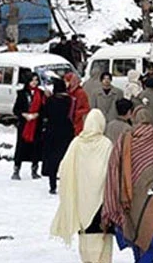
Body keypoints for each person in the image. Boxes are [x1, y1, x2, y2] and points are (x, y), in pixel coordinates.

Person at [102, 107, 153, 263]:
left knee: (135, 231)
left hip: (130, 196)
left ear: (135, 119)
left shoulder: (126, 139)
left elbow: (114, 166)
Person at [50, 110, 114, 263]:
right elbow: (112, 171)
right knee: (102, 237)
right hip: (102, 201)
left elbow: (63, 168)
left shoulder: (77, 143)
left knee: (85, 234)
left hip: (81, 199)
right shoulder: (106, 144)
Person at [43, 78, 76, 194]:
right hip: (66, 130)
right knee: (66, 156)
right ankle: (67, 184)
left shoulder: (50, 100)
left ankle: (52, 184)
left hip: (52, 131)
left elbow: (45, 114)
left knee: (53, 158)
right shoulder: (70, 100)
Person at [12, 72, 46, 181]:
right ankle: (16, 169)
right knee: (21, 147)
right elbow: (16, 109)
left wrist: (37, 114)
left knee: (36, 147)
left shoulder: (41, 93)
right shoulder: (22, 93)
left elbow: (44, 109)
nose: (34, 82)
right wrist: (24, 114)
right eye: (32, 80)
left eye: (36, 80)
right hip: (24, 124)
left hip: (36, 124)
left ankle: (34, 169)